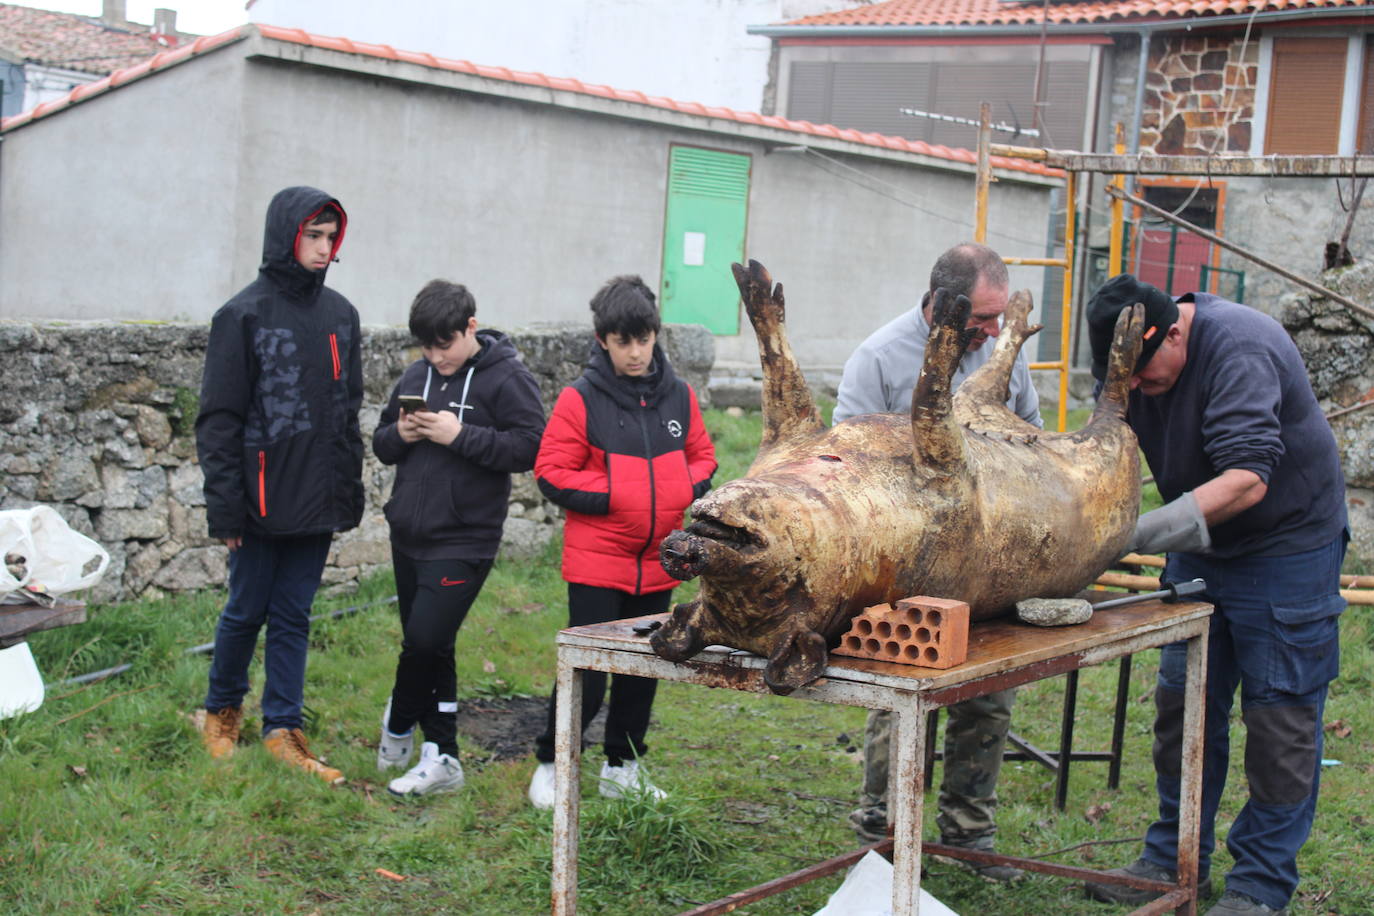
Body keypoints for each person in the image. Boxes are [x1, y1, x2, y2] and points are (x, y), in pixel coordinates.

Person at [1082, 274, 1347, 916]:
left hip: (1286, 546)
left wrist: (1131, 536)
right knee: (1184, 707)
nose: (1138, 391)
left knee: (1278, 719)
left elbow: (1248, 479)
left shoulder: (1241, 348)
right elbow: (1100, 445)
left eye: (1146, 378)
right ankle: (1173, 858)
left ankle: (1259, 885)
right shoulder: (1130, 364)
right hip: (1202, 546)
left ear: (1174, 332)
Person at [834, 242, 1040, 881]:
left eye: (1000, 317)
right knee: (902, 697)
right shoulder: (878, 358)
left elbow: (1029, 435)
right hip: (908, 567)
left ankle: (969, 833)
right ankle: (882, 833)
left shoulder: (1001, 355)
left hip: (988, 559)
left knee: (989, 697)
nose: (993, 332)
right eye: (982, 318)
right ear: (944, 304)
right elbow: (845, 462)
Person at [526, 275, 716, 809]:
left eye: (644, 339)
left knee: (647, 665)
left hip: (658, 562)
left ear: (656, 335)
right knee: (587, 670)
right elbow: (551, 473)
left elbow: (703, 456)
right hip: (596, 562)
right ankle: (552, 761)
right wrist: (622, 491)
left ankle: (623, 764)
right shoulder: (579, 399)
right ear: (603, 340)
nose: (636, 352)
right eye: (623, 341)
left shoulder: (679, 395)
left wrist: (679, 485)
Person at [195, 186, 364, 785]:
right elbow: (218, 420)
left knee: (294, 615)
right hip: (260, 499)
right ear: (285, 236)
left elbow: (347, 412)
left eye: (329, 237)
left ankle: (282, 728)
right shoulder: (240, 315)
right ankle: (220, 712)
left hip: (316, 498)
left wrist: (347, 492)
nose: (322, 248)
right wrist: (227, 513)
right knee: (245, 611)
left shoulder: (341, 315)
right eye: (311, 236)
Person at [371, 280, 545, 797]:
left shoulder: (507, 377)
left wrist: (458, 435)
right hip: (409, 533)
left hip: (466, 538)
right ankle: (442, 756)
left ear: (470, 327)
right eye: (426, 347)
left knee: (422, 642)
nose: (435, 357)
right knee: (433, 647)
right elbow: (382, 444)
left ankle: (400, 722)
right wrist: (400, 436)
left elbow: (532, 445)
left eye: (444, 344)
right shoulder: (417, 373)